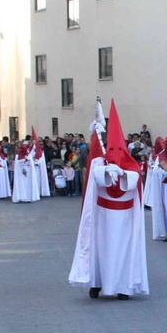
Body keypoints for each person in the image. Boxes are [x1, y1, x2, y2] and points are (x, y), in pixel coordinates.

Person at [68, 102, 149, 300]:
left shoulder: (132, 167)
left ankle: (123, 287)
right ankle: (96, 283)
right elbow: (95, 178)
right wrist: (105, 171)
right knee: (100, 252)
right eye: (110, 148)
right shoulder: (99, 163)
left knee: (122, 253)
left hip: (124, 220)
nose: (113, 153)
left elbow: (135, 181)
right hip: (102, 218)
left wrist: (121, 173)